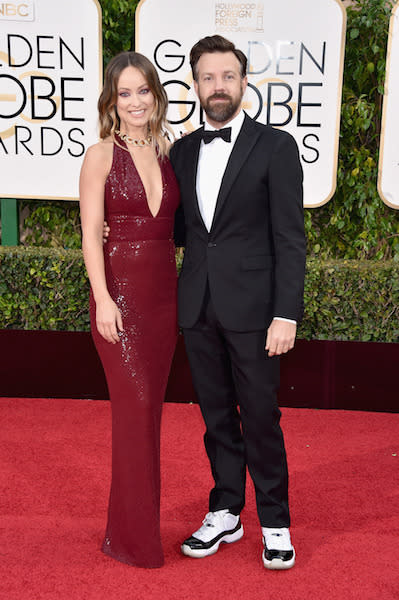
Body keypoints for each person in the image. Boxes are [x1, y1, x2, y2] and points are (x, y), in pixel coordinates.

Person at [170, 35, 306, 570]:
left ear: (244, 82)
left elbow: (290, 238)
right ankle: (226, 510)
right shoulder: (182, 151)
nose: (217, 87)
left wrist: (286, 312)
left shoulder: (275, 147)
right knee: (216, 418)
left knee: (261, 418)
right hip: (198, 306)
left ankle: (275, 521)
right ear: (196, 84)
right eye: (207, 77)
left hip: (255, 312)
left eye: (227, 76)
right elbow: (178, 231)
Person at [79, 51, 180, 568]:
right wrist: (102, 299)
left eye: (144, 91)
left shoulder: (169, 151)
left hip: (165, 302)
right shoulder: (99, 155)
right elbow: (90, 237)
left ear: (156, 95)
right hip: (119, 303)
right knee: (136, 416)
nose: (136, 101)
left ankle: (129, 529)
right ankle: (133, 541)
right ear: (111, 100)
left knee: (148, 419)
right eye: (125, 93)